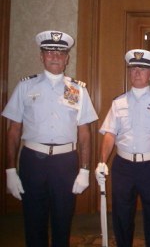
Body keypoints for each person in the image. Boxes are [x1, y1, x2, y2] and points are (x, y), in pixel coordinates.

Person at [2, 30, 98, 247]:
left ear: (67, 58)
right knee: (33, 221)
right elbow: (14, 130)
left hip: (65, 163)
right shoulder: (25, 86)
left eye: (60, 52)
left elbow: (84, 132)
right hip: (33, 161)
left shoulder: (78, 90)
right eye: (49, 51)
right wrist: (9, 170)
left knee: (63, 220)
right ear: (41, 56)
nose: (55, 56)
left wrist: (84, 169)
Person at [95, 49, 150, 247]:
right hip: (123, 166)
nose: (137, 72)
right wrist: (102, 161)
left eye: (142, 69)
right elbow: (109, 133)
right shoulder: (118, 103)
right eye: (133, 68)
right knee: (122, 214)